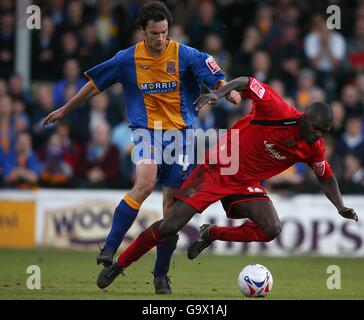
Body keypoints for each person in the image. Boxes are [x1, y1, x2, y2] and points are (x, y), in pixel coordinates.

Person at [42, 1, 240, 294]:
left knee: (171, 210)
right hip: (146, 131)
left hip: (182, 137)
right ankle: (109, 248)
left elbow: (214, 75)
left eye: (164, 32)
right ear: (142, 31)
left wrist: (228, 90)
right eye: (154, 33)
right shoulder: (127, 59)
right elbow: (95, 84)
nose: (160, 38)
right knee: (145, 182)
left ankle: (160, 274)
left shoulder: (185, 54)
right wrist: (66, 109)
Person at [96, 76, 359, 290]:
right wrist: (217, 94)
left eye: (323, 133)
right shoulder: (277, 109)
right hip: (218, 167)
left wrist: (340, 206)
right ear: (304, 117)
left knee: (271, 228)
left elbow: (326, 177)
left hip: (245, 183)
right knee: (170, 225)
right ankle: (119, 265)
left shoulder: (314, 147)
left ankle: (211, 233)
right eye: (315, 129)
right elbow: (246, 82)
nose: (317, 136)